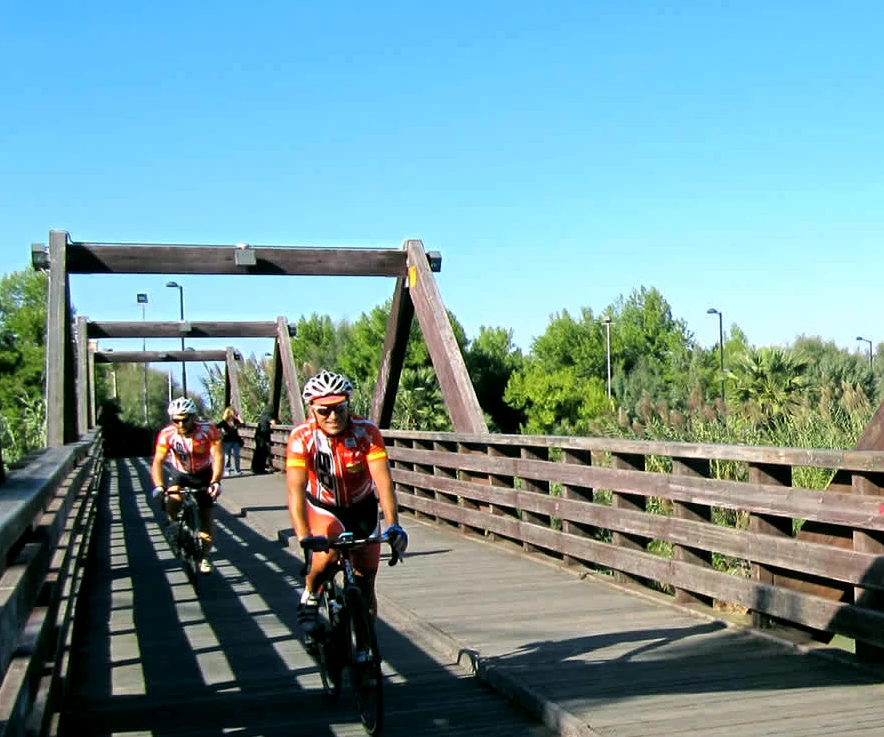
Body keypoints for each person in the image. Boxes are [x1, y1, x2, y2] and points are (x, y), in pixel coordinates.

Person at [285, 370, 408, 634]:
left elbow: (383, 483)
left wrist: (394, 525)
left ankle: (365, 651)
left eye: (339, 408)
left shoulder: (366, 432)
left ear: (348, 405)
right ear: (312, 410)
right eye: (324, 410)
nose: (332, 416)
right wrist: (304, 536)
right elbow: (295, 490)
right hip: (323, 507)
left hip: (362, 506)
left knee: (366, 582)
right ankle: (310, 596)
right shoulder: (301, 438)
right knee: (326, 557)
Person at [151, 397, 224, 574]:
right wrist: (160, 486)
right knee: (174, 497)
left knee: (206, 517)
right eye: (176, 420)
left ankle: (205, 557)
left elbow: (218, 456)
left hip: (203, 473)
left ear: (193, 417)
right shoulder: (168, 434)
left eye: (185, 419)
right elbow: (158, 461)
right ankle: (173, 525)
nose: (180, 424)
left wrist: (215, 481)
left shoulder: (208, 430)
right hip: (180, 473)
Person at [217, 406, 244, 475]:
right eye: (233, 412)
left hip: (236, 440)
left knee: (237, 455)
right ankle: (226, 469)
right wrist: (220, 433)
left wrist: (238, 417)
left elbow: (243, 424)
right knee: (227, 456)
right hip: (226, 441)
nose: (235, 413)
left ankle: (237, 470)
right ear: (229, 413)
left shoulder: (235, 421)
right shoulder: (224, 422)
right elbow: (216, 427)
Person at [250, 405, 275, 474]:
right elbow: (273, 422)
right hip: (263, 436)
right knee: (263, 452)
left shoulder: (262, 416)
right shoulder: (267, 416)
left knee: (257, 452)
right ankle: (260, 468)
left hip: (258, 436)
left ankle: (255, 467)